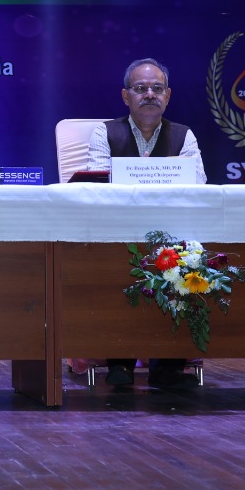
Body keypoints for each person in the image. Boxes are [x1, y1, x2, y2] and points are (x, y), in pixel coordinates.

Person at [87, 58, 204, 391]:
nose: (149, 94)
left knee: (186, 260)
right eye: (141, 88)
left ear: (168, 95)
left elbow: (198, 186)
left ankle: (168, 367)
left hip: (172, 229)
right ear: (126, 96)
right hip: (118, 228)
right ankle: (119, 363)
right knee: (113, 263)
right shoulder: (105, 132)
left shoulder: (184, 135)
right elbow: (98, 186)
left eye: (157, 88)